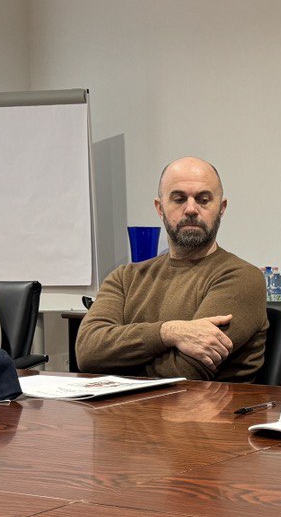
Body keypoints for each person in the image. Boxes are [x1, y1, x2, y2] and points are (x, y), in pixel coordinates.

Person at [76, 157, 266, 380]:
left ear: (221, 209)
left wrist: (114, 362)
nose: (191, 209)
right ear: (160, 208)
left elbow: (186, 372)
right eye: (179, 199)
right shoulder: (125, 277)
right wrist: (169, 332)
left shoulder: (241, 278)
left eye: (204, 200)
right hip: (127, 403)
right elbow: (88, 352)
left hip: (202, 403)